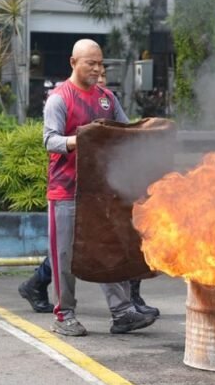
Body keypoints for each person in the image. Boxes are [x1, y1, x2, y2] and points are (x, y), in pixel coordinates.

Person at [21, 39, 157, 336]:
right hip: (66, 190)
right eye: (90, 63)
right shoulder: (59, 98)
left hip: (100, 190)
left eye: (100, 63)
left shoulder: (107, 98)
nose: (97, 69)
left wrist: (147, 130)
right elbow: (50, 140)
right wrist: (84, 138)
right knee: (65, 257)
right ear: (73, 63)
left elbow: (124, 131)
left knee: (107, 249)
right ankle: (63, 315)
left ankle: (122, 312)